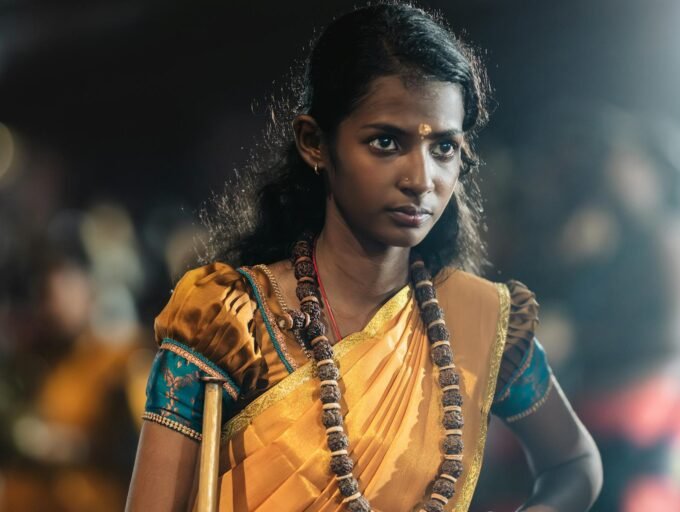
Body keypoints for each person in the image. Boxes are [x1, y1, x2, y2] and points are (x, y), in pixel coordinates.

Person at [125, 3, 602, 511]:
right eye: (385, 142)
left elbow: (573, 464)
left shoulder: (477, 325)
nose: (421, 180)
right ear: (314, 143)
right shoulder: (230, 321)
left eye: (443, 148)